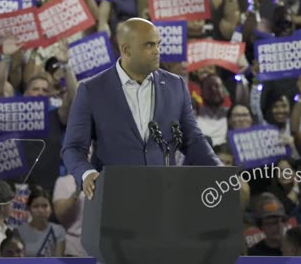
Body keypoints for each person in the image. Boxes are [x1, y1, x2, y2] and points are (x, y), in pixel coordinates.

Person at [62, 18, 221, 199]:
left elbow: (193, 140)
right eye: (149, 45)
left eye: (158, 45)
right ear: (126, 50)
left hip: (164, 199)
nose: (157, 51)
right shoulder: (92, 90)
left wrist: (220, 172)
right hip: (113, 199)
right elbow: (73, 147)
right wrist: (86, 173)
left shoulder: (175, 85)